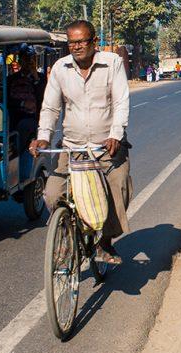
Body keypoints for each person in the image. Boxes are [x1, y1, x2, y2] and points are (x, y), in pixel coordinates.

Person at [30, 19, 131, 266]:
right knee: (53, 193)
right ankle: (66, 234)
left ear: (94, 42)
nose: (75, 47)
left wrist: (115, 134)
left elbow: (121, 102)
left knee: (118, 190)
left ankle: (105, 243)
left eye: (81, 42)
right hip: (72, 146)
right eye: (71, 43)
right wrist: (43, 135)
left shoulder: (112, 63)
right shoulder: (60, 68)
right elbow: (51, 107)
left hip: (106, 146)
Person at [7, 45, 43, 153]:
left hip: (34, 117)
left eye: (31, 59)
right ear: (20, 61)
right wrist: (22, 103)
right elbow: (7, 100)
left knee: (25, 124)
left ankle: (17, 151)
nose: (28, 62)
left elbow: (43, 98)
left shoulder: (41, 78)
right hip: (14, 114)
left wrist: (36, 78)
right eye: (25, 59)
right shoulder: (11, 79)